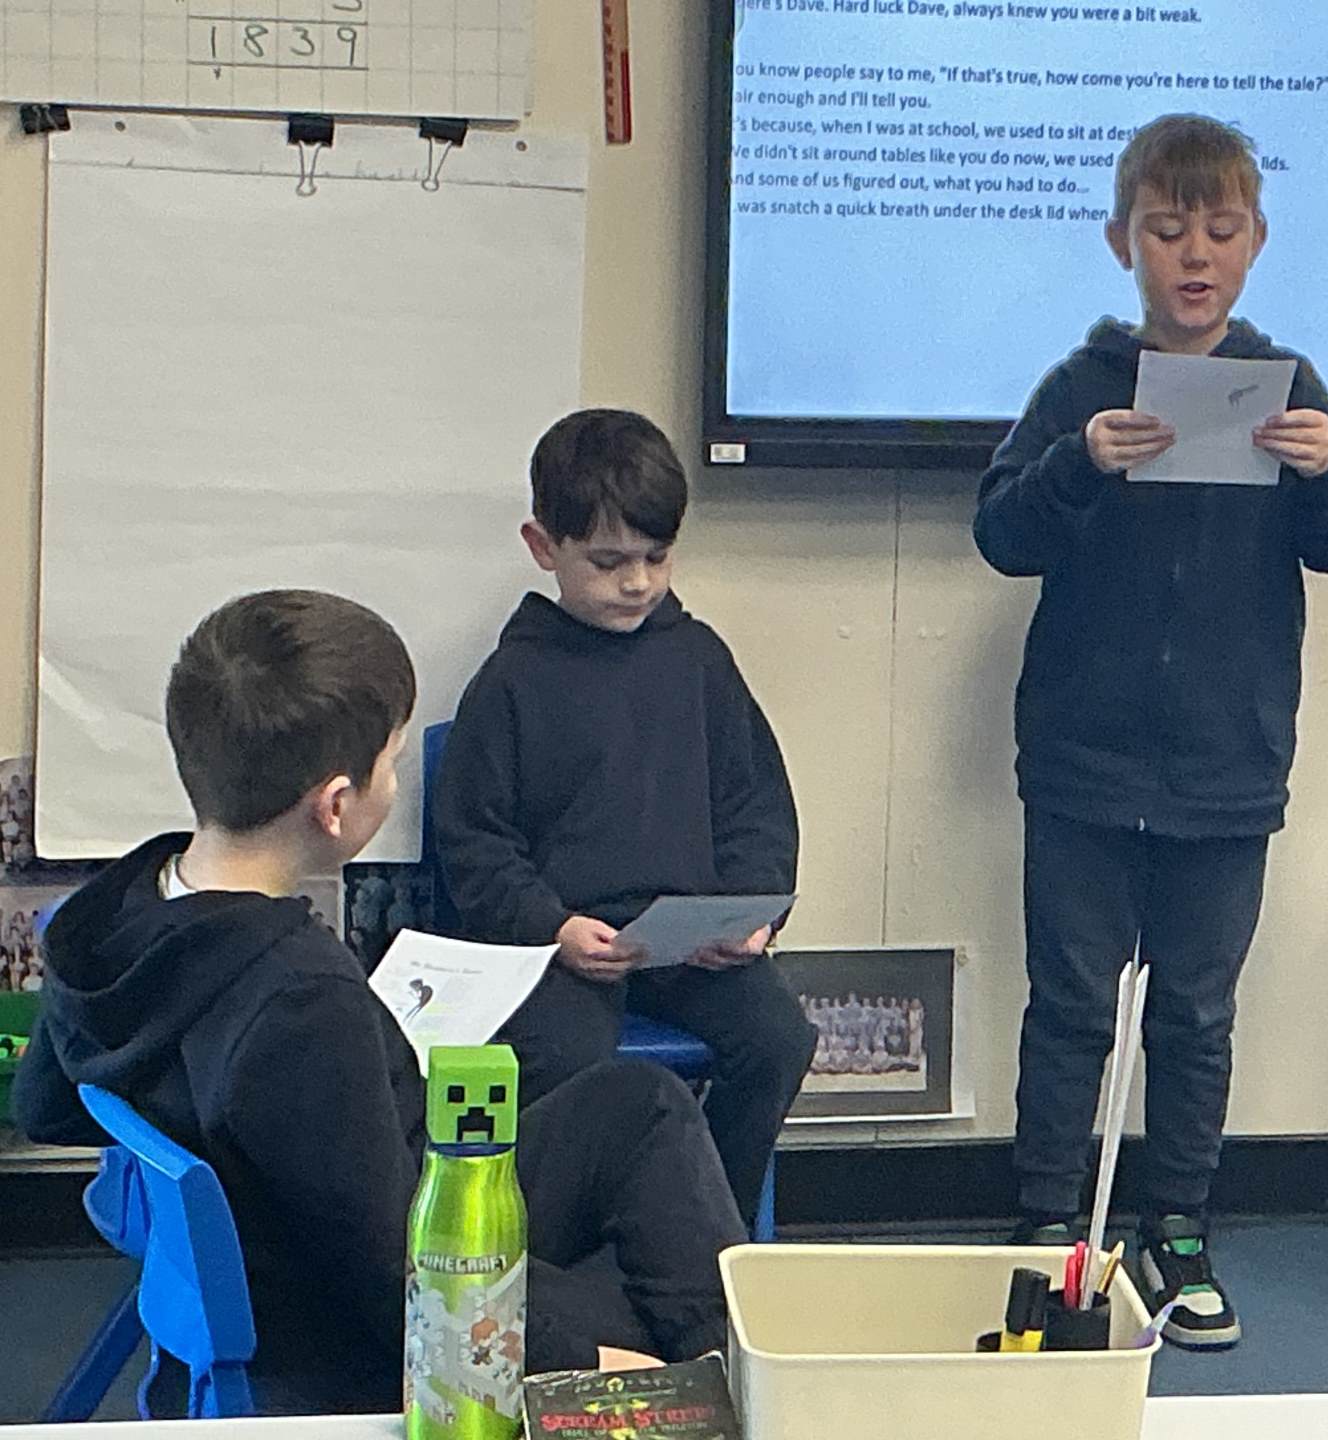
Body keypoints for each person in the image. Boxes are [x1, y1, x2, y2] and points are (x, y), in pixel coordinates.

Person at [12, 590, 747, 1414]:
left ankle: (726, 1365)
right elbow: (394, 1278)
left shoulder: (109, 917)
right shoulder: (300, 998)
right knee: (661, 1322)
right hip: (344, 1329)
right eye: (392, 762)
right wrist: (585, 1360)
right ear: (334, 806)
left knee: (640, 1104)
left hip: (302, 1242)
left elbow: (45, 1105)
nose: (394, 782)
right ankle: (731, 1390)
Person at [972, 112, 1328, 1350]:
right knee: (1069, 1007)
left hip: (1226, 768)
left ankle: (1181, 1230)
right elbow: (1001, 534)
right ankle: (1048, 1223)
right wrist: (1079, 464)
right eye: (1166, 231)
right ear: (1123, 243)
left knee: (1197, 1014)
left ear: (1255, 242)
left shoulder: (1289, 385)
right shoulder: (1080, 388)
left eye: (1218, 230)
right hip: (1083, 764)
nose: (1193, 254)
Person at [432, 409, 816, 1223]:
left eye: (656, 557)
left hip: (690, 945)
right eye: (608, 562)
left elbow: (755, 807)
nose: (637, 583)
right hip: (564, 951)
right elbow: (476, 845)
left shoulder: (700, 660)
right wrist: (551, 926)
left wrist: (750, 917)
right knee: (565, 1061)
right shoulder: (510, 682)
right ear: (544, 547)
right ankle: (582, 1232)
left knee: (780, 1038)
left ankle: (711, 1224)